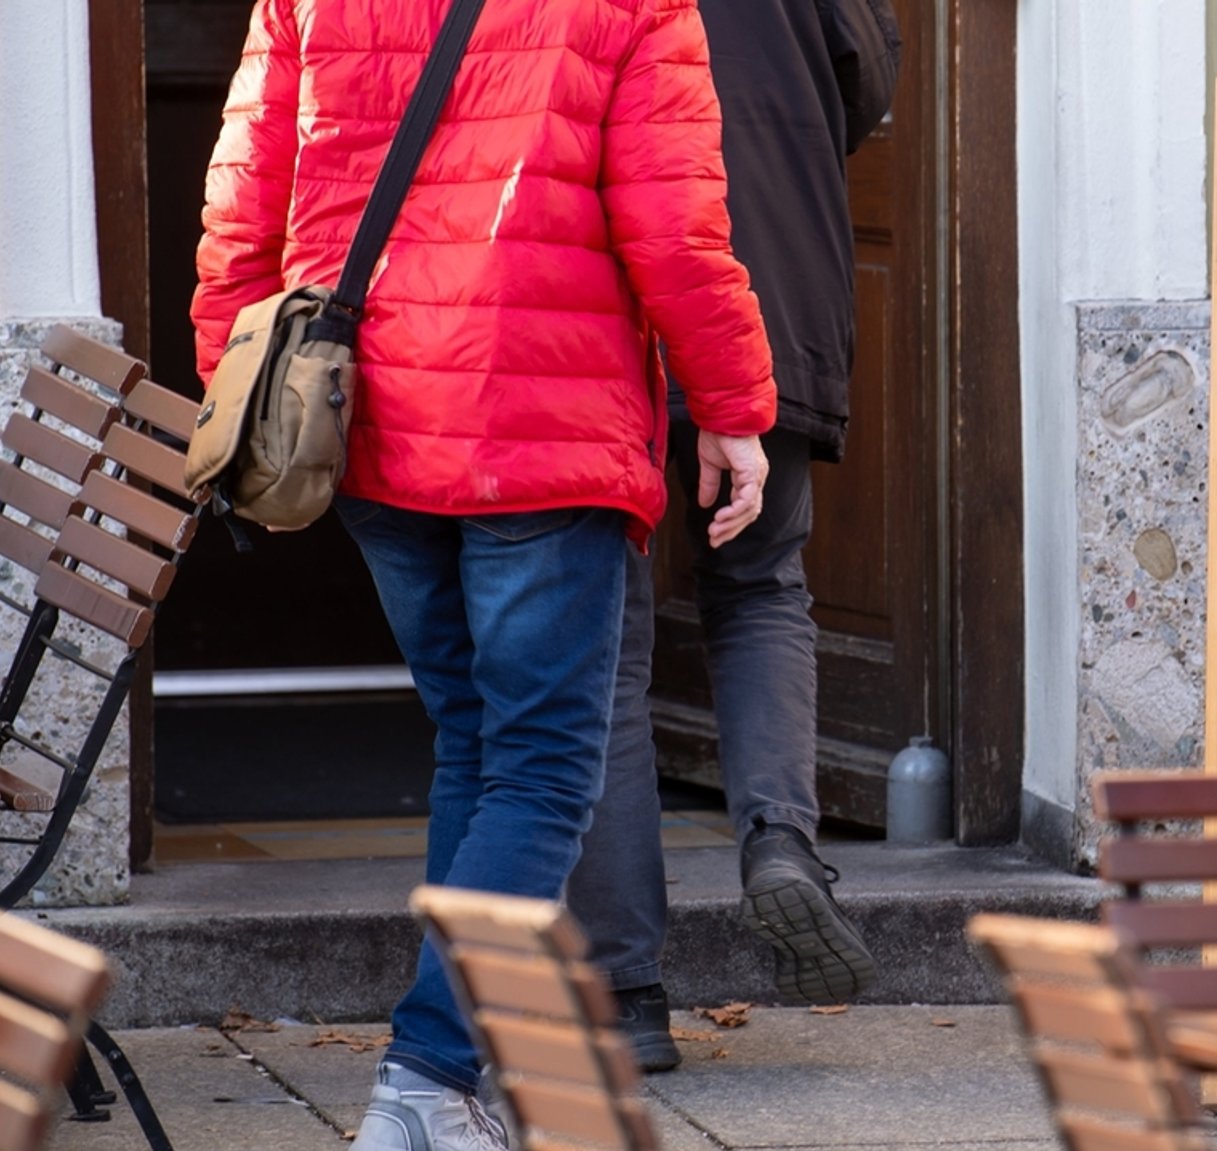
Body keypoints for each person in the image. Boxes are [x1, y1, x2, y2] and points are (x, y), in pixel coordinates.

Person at [190, 3, 777, 1149]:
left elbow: (241, 206)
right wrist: (734, 408)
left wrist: (238, 386)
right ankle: (428, 1072)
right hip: (542, 422)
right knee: (545, 767)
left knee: (476, 740)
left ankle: (437, 1093)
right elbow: (672, 230)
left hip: (363, 411)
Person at [564, 0, 901, 1073]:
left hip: (594, 302)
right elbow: (867, 81)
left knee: (604, 653)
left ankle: (626, 993)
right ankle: (779, 840)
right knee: (758, 586)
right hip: (768, 284)